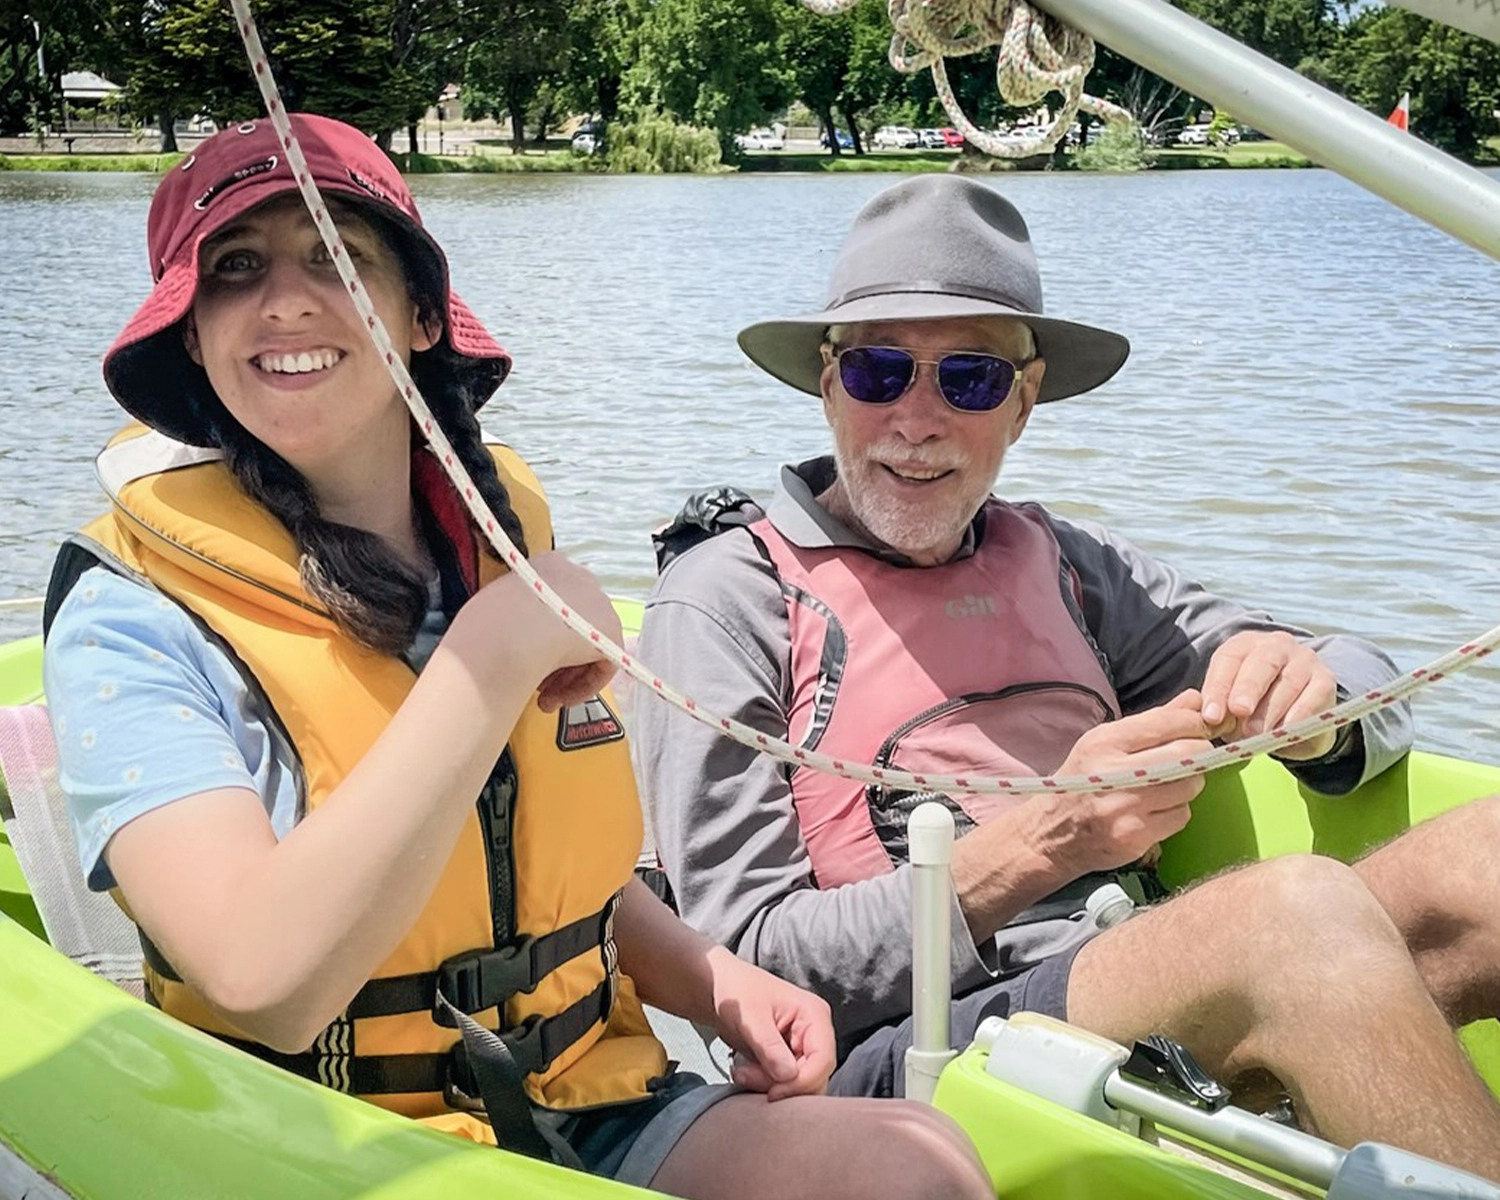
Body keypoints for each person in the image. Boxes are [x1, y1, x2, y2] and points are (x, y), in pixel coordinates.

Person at [40, 116, 994, 1200]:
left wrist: (709, 976)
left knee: (919, 1166)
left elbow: (529, 860)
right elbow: (264, 984)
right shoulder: (131, 614)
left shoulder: (498, 539)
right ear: (192, 338)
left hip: (584, 1096)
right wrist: (490, 660)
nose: (287, 300)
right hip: (314, 1138)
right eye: (236, 269)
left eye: (335, 256)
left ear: (418, 314)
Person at [633, 174, 1500, 1179]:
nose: (916, 421)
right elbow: (741, 964)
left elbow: (1362, 673)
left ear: (1026, 401)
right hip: (898, 1054)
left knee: (1486, 854)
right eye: (879, 372)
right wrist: (1042, 842)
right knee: (1291, 914)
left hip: (1136, 975)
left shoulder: (1075, 567)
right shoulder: (724, 599)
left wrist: (1311, 705)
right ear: (828, 383)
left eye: (968, 381)